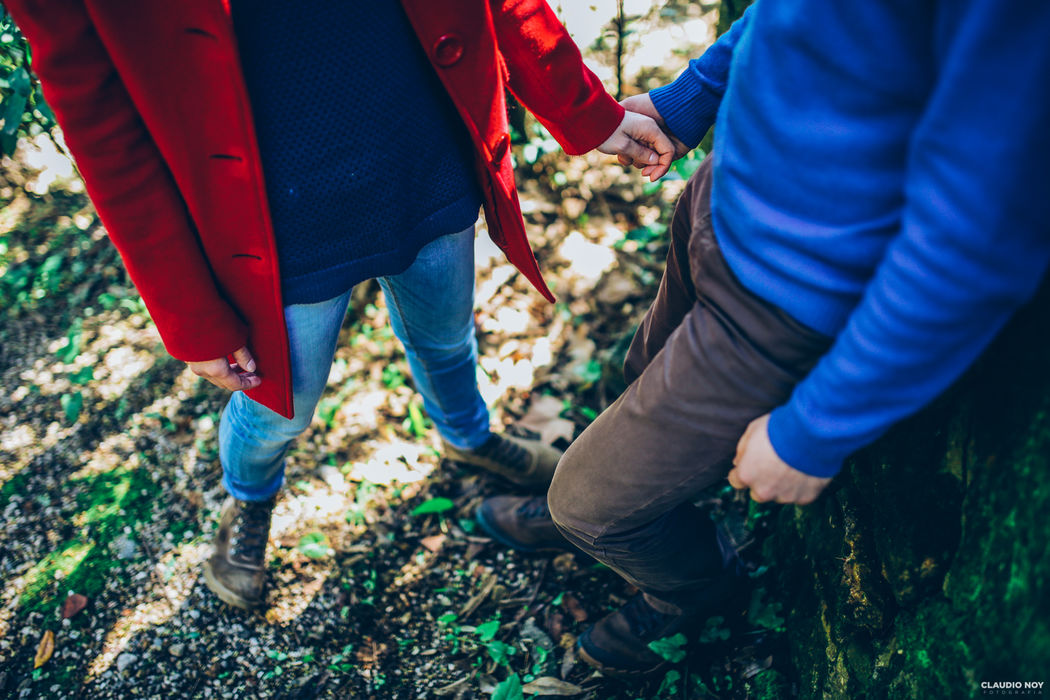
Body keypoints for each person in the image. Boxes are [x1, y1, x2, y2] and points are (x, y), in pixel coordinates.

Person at [5, 0, 674, 610]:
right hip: (269, 224)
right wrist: (186, 309)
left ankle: (468, 435)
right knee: (280, 408)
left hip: (425, 153)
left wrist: (589, 111)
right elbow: (98, 116)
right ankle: (250, 500)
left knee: (446, 337)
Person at [476, 0, 1050, 677]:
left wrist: (817, 429)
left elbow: (978, 234)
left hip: (788, 296)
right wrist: (688, 100)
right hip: (723, 200)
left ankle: (689, 588)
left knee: (589, 506)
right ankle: (627, 508)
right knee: (639, 372)